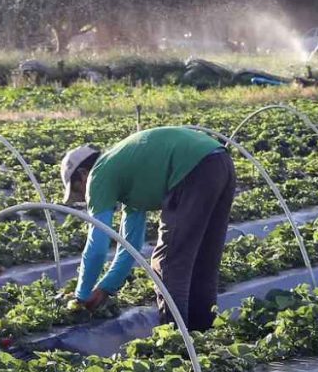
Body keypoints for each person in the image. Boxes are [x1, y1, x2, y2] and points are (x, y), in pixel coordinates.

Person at [60, 126, 236, 330]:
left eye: (77, 191)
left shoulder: (99, 175)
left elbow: (98, 245)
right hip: (219, 160)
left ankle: (177, 340)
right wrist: (105, 288)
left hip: (192, 168)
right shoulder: (125, 173)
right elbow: (130, 246)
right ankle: (202, 335)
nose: (83, 198)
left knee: (168, 262)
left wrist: (81, 295)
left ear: (83, 175)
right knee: (203, 259)